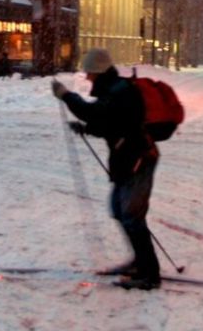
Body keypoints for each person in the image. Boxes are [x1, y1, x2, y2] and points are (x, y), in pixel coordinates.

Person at [51, 48, 161, 291]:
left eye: (90, 72)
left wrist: (66, 96)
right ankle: (138, 262)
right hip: (126, 160)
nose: (88, 77)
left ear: (99, 71)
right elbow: (109, 123)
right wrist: (86, 129)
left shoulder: (120, 92)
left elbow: (96, 113)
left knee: (131, 217)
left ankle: (150, 274)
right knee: (119, 211)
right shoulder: (113, 90)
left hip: (139, 159)